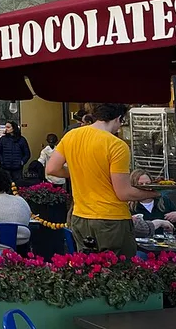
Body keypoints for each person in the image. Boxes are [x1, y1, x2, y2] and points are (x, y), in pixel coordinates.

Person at [46, 103, 157, 257]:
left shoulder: (71, 136)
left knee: (89, 267)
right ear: (118, 118)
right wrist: (154, 193)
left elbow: (51, 168)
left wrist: (80, 172)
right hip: (111, 218)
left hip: (80, 216)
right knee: (119, 268)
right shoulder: (117, 145)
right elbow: (123, 193)